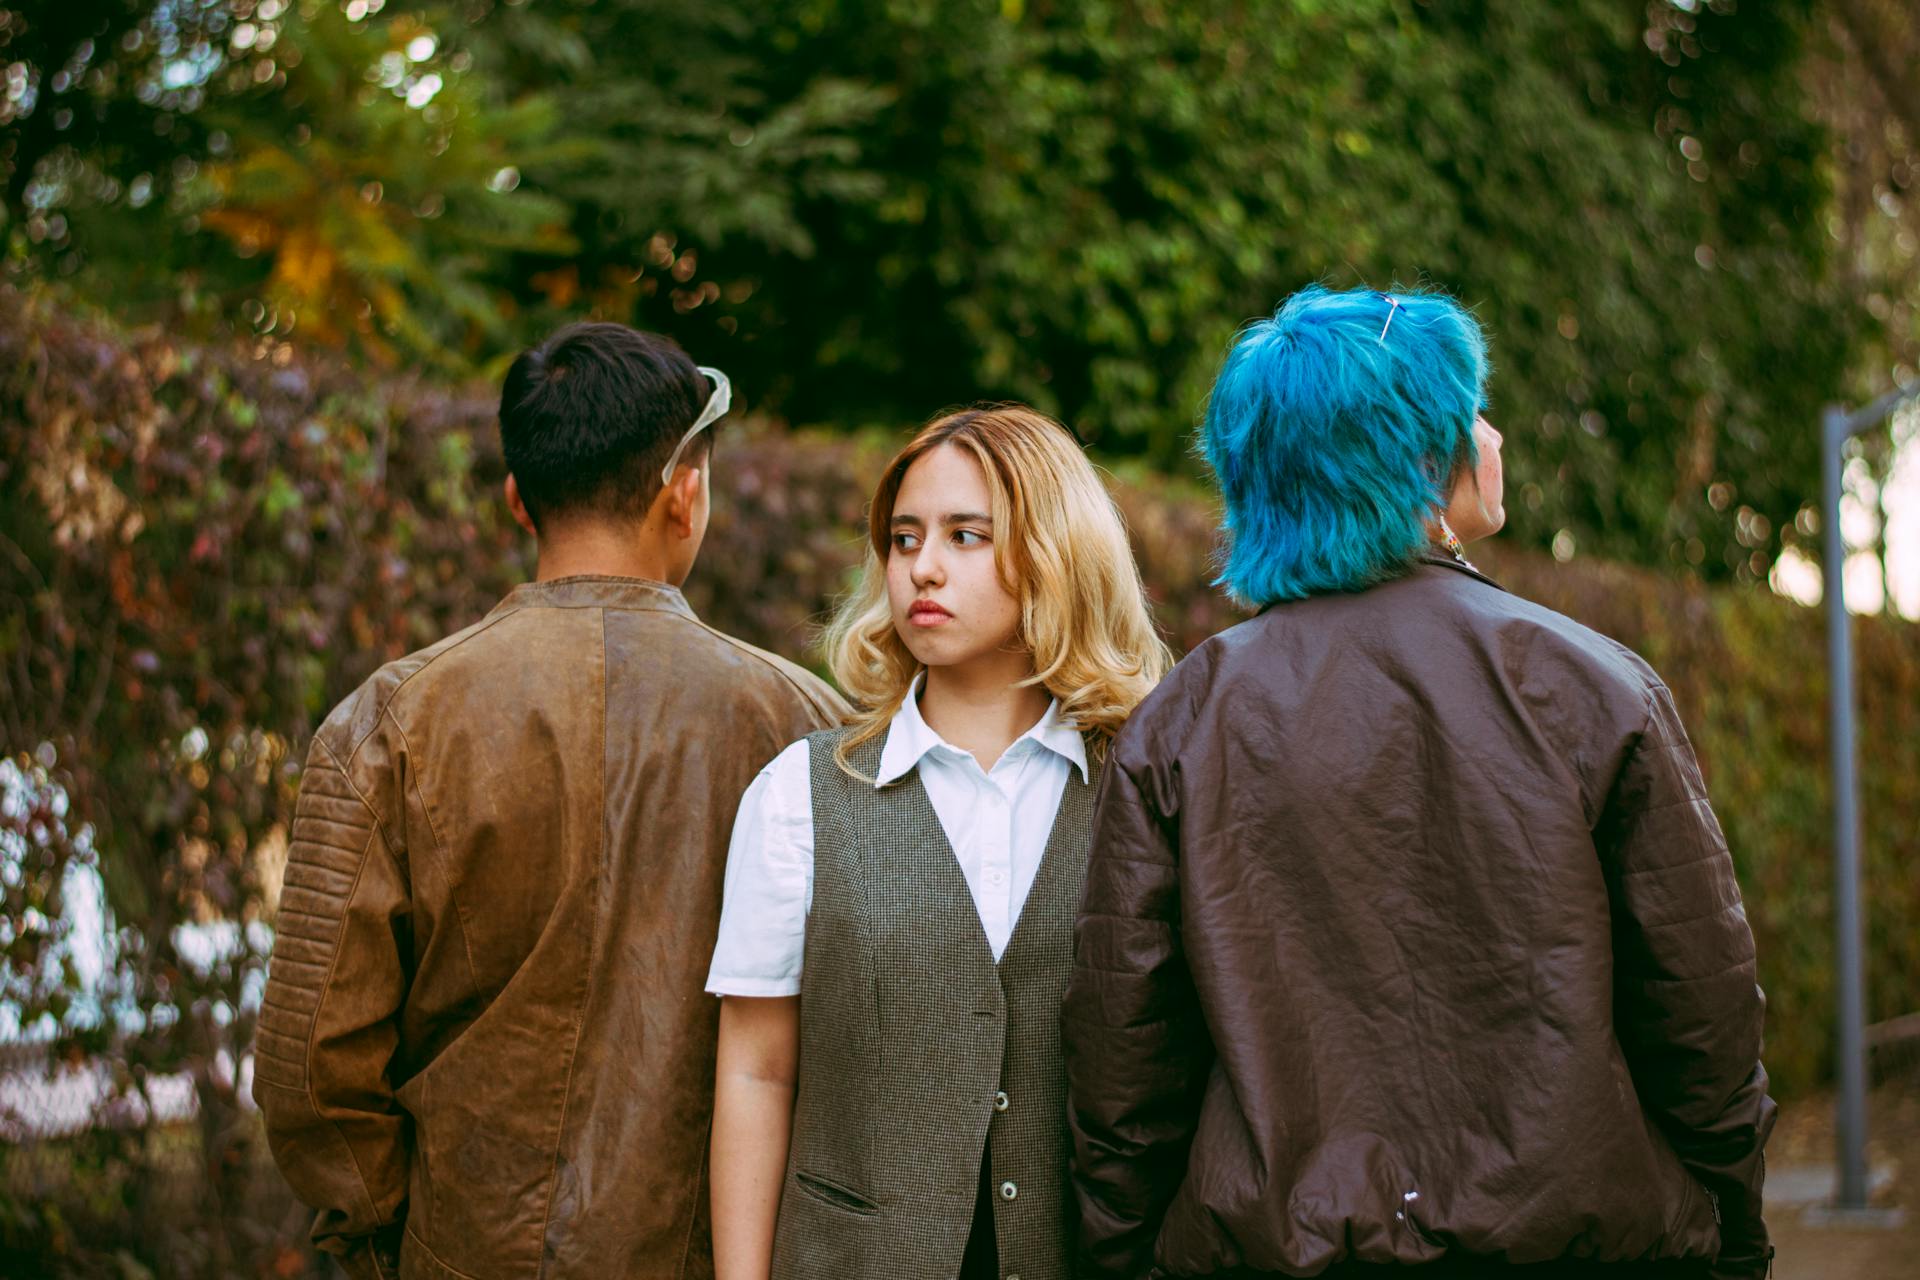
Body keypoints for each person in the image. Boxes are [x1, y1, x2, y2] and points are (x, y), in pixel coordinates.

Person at [1063, 285, 1776, 1278]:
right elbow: (1702, 1015)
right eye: (1469, 411)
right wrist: (1735, 1229)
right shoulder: (1593, 685)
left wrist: (1120, 1252)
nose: (1492, 435)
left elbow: (1124, 1057)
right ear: (1420, 455)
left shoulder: (1184, 718)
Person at [254, 323, 847, 1280]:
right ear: (684, 493)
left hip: (460, 1251)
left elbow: (310, 1072)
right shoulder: (810, 725)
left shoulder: (388, 725)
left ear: (516, 499)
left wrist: (397, 1238)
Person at [705, 405, 1173, 1280]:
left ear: (1055, 552)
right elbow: (756, 1074)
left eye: (967, 536)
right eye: (905, 537)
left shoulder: (1143, 790)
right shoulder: (799, 796)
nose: (922, 567)